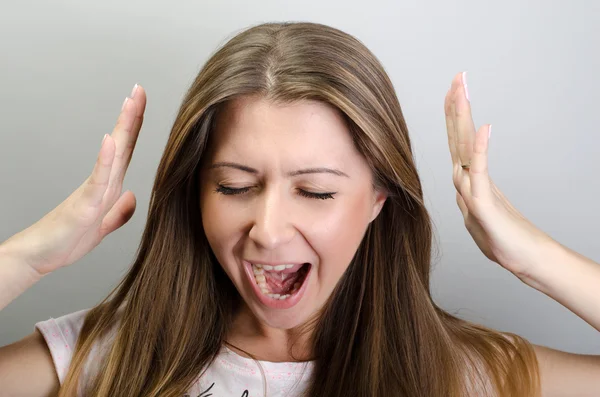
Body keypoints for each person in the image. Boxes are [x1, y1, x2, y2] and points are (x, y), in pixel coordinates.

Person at [0, 21, 599, 397]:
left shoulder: (461, 374)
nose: (268, 229)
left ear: (378, 201)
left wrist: (530, 257)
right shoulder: (100, 361)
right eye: (235, 186)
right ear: (195, 194)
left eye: (315, 192)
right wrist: (27, 258)